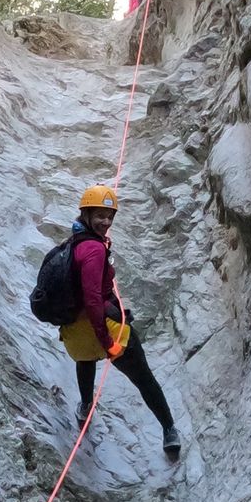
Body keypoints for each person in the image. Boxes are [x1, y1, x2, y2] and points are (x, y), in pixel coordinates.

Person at [60, 184, 181, 454]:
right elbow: (92, 300)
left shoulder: (74, 241)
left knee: (86, 361)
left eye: (109, 216)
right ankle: (169, 428)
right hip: (101, 328)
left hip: (75, 334)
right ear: (87, 213)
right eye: (100, 215)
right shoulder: (93, 251)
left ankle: (85, 406)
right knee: (143, 377)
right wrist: (107, 341)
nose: (106, 221)